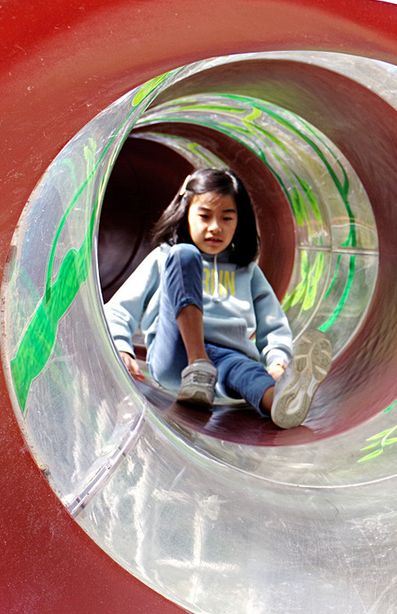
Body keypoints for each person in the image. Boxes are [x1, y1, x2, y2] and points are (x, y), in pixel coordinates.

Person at [105, 168, 330, 429]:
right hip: (175, 355)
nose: (215, 227)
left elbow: (273, 321)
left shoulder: (246, 270)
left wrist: (278, 362)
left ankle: (283, 401)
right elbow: (120, 309)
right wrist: (122, 347)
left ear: (239, 222)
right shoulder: (166, 257)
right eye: (204, 216)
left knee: (249, 374)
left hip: (227, 359)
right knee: (184, 255)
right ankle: (198, 363)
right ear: (186, 214)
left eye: (226, 218)